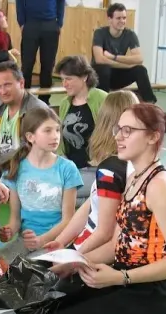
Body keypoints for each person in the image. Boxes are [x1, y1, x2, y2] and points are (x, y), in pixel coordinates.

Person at [37, 103, 166, 314]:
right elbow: (117, 244)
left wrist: (121, 278)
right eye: (118, 129)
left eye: (128, 131)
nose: (119, 137)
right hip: (123, 277)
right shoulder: (133, 178)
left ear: (153, 137)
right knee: (49, 310)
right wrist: (75, 262)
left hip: (152, 292)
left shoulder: (161, 186)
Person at [46, 90, 138, 253]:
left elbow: (104, 233)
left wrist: (72, 257)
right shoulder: (125, 163)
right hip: (95, 243)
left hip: (96, 248)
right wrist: (61, 241)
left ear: (103, 122)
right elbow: (91, 204)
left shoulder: (111, 169)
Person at [0, 107, 83, 263]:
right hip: (25, 242)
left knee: (33, 271)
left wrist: (42, 240)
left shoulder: (67, 168)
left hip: (57, 241)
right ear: (30, 137)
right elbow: (15, 221)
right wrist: (8, 232)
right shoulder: (16, 168)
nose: (55, 136)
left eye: (57, 130)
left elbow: (68, 220)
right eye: (47, 131)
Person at [55, 55, 108, 205]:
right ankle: (93, 200)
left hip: (95, 168)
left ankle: (94, 197)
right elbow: (61, 140)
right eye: (62, 79)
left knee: (57, 194)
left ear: (84, 77)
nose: (64, 84)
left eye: (69, 79)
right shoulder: (65, 103)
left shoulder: (102, 99)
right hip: (71, 168)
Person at [91, 3, 156, 103]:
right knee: (104, 69)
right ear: (109, 19)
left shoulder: (130, 34)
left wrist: (114, 57)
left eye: (124, 18)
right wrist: (127, 65)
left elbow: (139, 59)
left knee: (140, 70)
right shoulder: (100, 33)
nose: (122, 21)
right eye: (118, 18)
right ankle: (102, 104)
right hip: (99, 76)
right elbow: (99, 59)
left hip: (117, 75)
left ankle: (150, 104)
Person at [15, 0, 64, 105]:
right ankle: (24, 99)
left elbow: (61, 2)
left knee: (48, 64)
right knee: (27, 64)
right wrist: (21, 22)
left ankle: (44, 100)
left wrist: (59, 23)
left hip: (51, 24)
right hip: (30, 23)